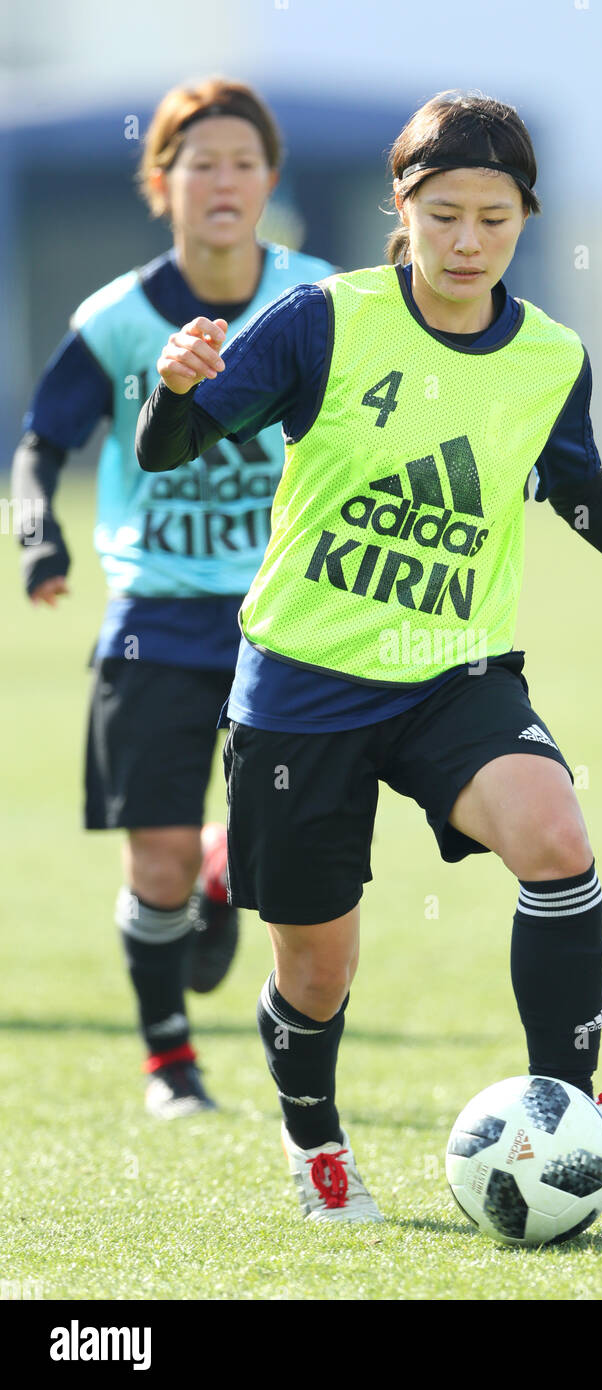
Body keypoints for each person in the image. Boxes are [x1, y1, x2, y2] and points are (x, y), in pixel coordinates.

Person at [136, 91, 602, 1222]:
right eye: (442, 213)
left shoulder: (549, 354)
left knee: (554, 839)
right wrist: (172, 390)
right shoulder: (322, 320)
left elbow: (579, 488)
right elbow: (177, 446)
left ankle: (572, 1100)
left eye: (493, 219)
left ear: (523, 220)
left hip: (457, 672)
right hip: (303, 686)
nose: (466, 242)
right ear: (400, 211)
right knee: (315, 970)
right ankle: (318, 1149)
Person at [11, 77, 335, 1119]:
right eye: (202, 163)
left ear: (270, 181)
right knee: (149, 850)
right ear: (163, 185)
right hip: (153, 616)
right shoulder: (114, 319)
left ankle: (221, 865)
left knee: (273, 846)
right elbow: (41, 442)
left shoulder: (319, 298)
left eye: (244, 161)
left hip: (287, 618)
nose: (225, 180)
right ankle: (169, 1065)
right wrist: (37, 529)